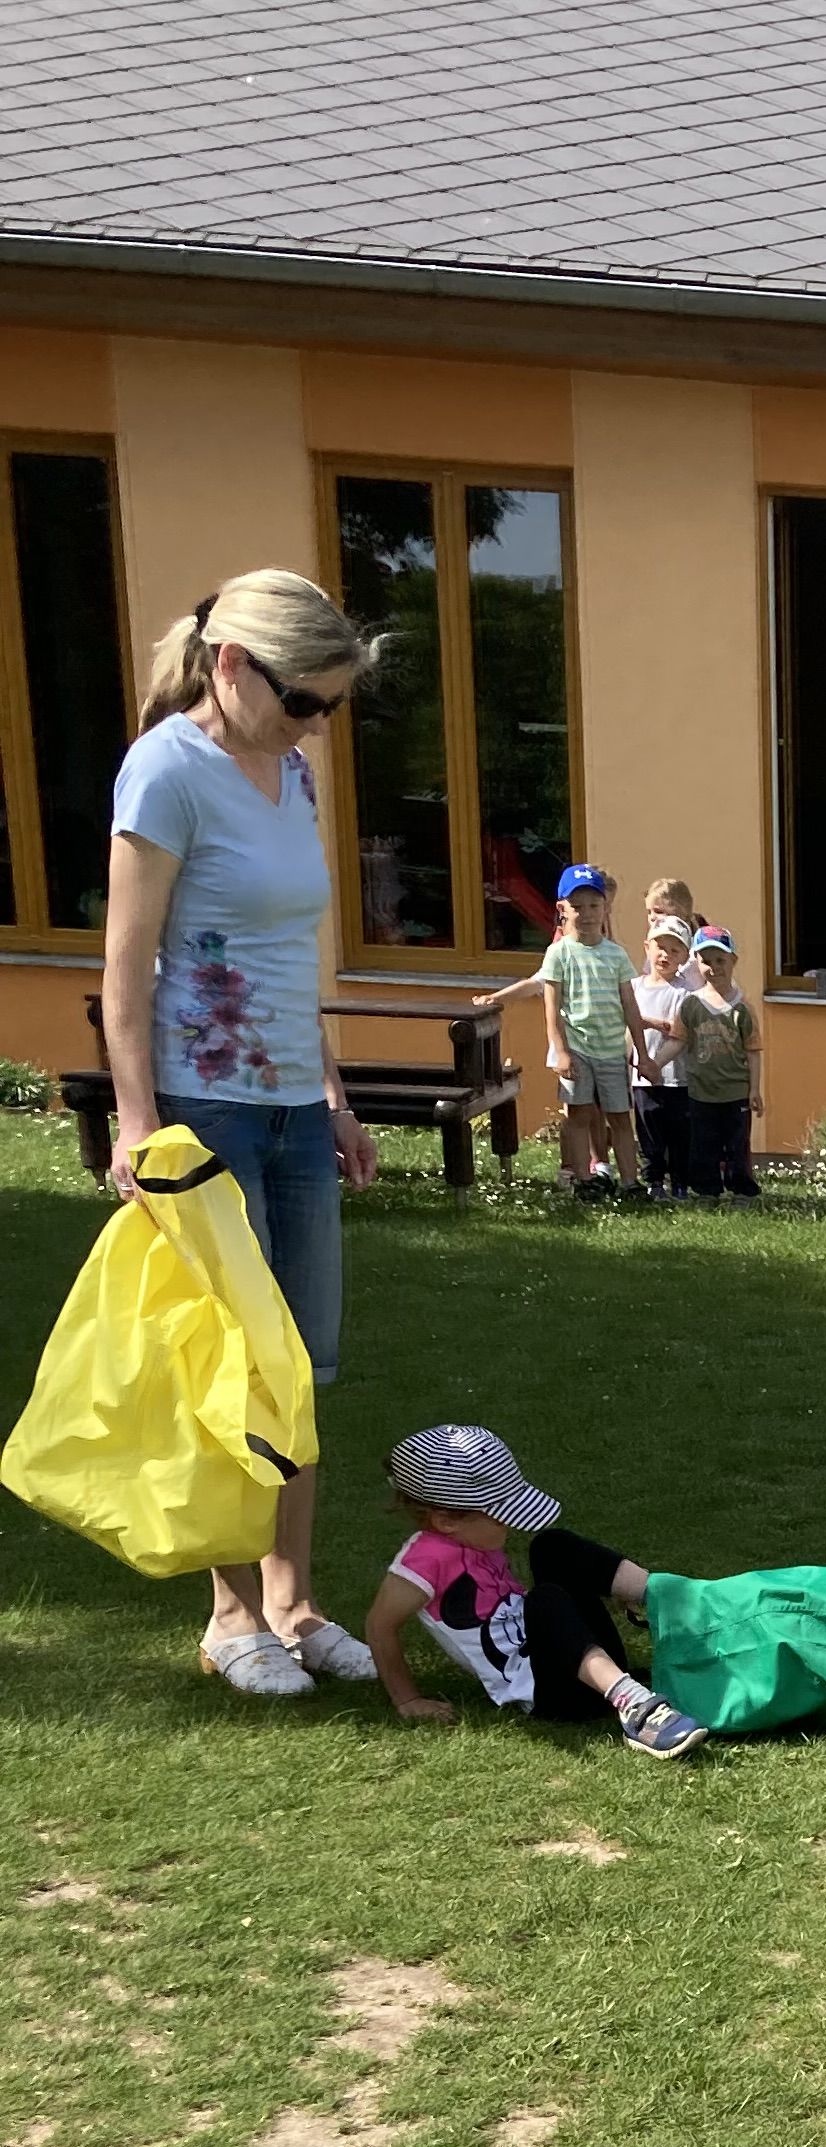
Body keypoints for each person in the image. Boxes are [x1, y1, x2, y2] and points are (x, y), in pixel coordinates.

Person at [101, 566, 383, 1699]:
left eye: (331, 706)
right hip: (202, 1106)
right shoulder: (166, 769)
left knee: (299, 1365)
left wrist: (333, 1094)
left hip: (292, 1109)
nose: (315, 723)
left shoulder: (293, 775)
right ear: (231, 666)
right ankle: (231, 1618)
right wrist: (137, 1123)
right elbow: (125, 965)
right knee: (231, 1363)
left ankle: (294, 1602)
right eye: (304, 699)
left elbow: (287, 961)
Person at [364, 1421, 707, 1758]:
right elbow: (379, 1627)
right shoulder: (423, 1561)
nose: (511, 1523)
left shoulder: (471, 1537)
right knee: (545, 1600)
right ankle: (636, 1706)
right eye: (501, 1514)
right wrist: (408, 1700)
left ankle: (680, 1604)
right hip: (554, 1696)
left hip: (577, 1662)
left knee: (551, 1545)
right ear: (446, 1521)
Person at [485, 866, 643, 1196]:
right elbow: (551, 1006)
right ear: (562, 909)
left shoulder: (616, 955)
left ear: (605, 908)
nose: (587, 914)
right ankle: (584, 1180)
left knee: (619, 1117)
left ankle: (630, 1183)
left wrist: (643, 1053)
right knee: (579, 1115)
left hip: (612, 1050)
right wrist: (560, 1050)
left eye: (594, 905)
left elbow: (630, 1005)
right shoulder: (559, 952)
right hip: (576, 1049)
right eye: (578, 906)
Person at [676, 930, 761, 1201]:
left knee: (737, 1146)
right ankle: (706, 1191)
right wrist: (652, 1064)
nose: (714, 968)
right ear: (697, 963)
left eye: (720, 960)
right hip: (701, 1092)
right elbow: (678, 1041)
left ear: (733, 961)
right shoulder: (691, 1004)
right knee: (703, 1144)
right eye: (706, 961)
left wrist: (754, 1090)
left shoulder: (742, 1008)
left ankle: (742, 1191)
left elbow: (753, 1052)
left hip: (735, 1092)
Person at [629, 902, 700, 1201]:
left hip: (677, 1078)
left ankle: (680, 1183)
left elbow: (679, 1033)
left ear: (685, 956)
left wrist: (655, 1059)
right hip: (641, 1079)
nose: (665, 955)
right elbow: (626, 1024)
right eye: (660, 947)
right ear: (647, 948)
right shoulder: (634, 988)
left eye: (674, 950)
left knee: (680, 1134)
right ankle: (654, 1181)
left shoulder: (685, 993)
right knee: (649, 1133)